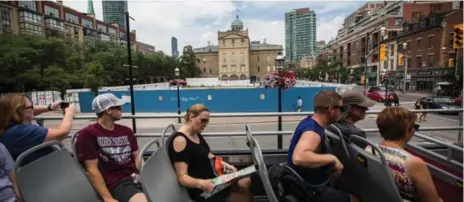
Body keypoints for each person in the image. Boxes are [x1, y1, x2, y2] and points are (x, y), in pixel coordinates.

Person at [168, 104, 253, 202]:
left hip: (213, 180)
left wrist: (225, 164)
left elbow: (207, 154)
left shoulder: (196, 135)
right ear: (191, 117)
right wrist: (202, 183)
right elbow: (182, 177)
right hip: (202, 190)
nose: (205, 124)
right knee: (244, 196)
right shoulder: (180, 140)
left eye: (207, 121)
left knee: (246, 181)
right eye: (203, 120)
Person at [288, 90, 359, 202]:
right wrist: (332, 159)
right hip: (310, 190)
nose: (342, 112)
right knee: (355, 200)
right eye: (341, 108)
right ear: (331, 110)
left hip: (304, 183)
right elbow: (299, 157)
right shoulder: (313, 131)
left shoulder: (308, 122)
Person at [77, 93, 147, 202]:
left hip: (135, 177)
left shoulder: (126, 131)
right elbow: (92, 169)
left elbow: (137, 155)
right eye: (118, 107)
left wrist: (146, 175)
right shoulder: (88, 134)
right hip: (116, 182)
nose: (122, 109)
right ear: (108, 111)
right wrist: (107, 198)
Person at [370, 107, 442, 202]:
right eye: (414, 127)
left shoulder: (370, 149)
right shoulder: (413, 163)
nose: (414, 131)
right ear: (407, 130)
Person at [0, 94, 75, 165]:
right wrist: (69, 113)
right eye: (31, 106)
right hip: (44, 173)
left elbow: (28, 110)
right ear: (20, 110)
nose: (33, 109)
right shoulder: (21, 131)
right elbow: (62, 133)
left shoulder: (8, 127)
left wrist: (50, 107)